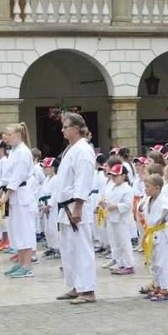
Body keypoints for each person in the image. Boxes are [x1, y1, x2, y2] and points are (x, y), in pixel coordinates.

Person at [55, 112, 98, 305]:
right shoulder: (71, 149)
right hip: (65, 205)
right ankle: (75, 286)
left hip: (75, 205)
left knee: (81, 248)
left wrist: (79, 206)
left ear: (76, 128)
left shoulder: (84, 150)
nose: (62, 130)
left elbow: (83, 180)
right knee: (69, 249)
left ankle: (87, 289)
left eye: (65, 127)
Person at [0, 123, 37, 278]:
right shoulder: (14, 151)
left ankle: (27, 265)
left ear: (18, 135)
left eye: (9, 135)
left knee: (24, 230)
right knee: (16, 230)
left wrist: (7, 194)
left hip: (20, 194)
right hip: (13, 195)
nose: (6, 138)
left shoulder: (23, 152)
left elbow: (18, 176)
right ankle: (20, 262)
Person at [140, 173, 168, 301]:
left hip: (161, 234)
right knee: (154, 263)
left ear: (157, 188)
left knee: (162, 263)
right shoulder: (148, 199)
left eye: (148, 187)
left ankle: (164, 289)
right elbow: (140, 207)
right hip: (152, 234)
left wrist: (167, 219)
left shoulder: (164, 200)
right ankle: (157, 286)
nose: (146, 189)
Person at [103, 163, 136, 276]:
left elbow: (128, 205)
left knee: (124, 242)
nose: (114, 178)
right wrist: (104, 203)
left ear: (123, 176)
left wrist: (116, 206)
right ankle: (120, 263)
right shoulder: (112, 187)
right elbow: (108, 199)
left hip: (122, 219)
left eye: (116, 175)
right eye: (112, 175)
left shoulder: (127, 189)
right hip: (112, 218)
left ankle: (129, 265)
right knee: (116, 242)